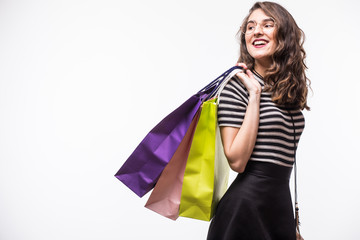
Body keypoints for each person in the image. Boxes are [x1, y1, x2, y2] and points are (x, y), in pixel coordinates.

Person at [207, 1, 309, 240]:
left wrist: (288, 224)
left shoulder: (285, 91)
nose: (257, 31)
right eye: (250, 27)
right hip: (244, 211)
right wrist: (254, 96)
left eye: (267, 24)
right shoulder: (238, 85)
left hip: (278, 209)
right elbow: (237, 161)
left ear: (284, 34)